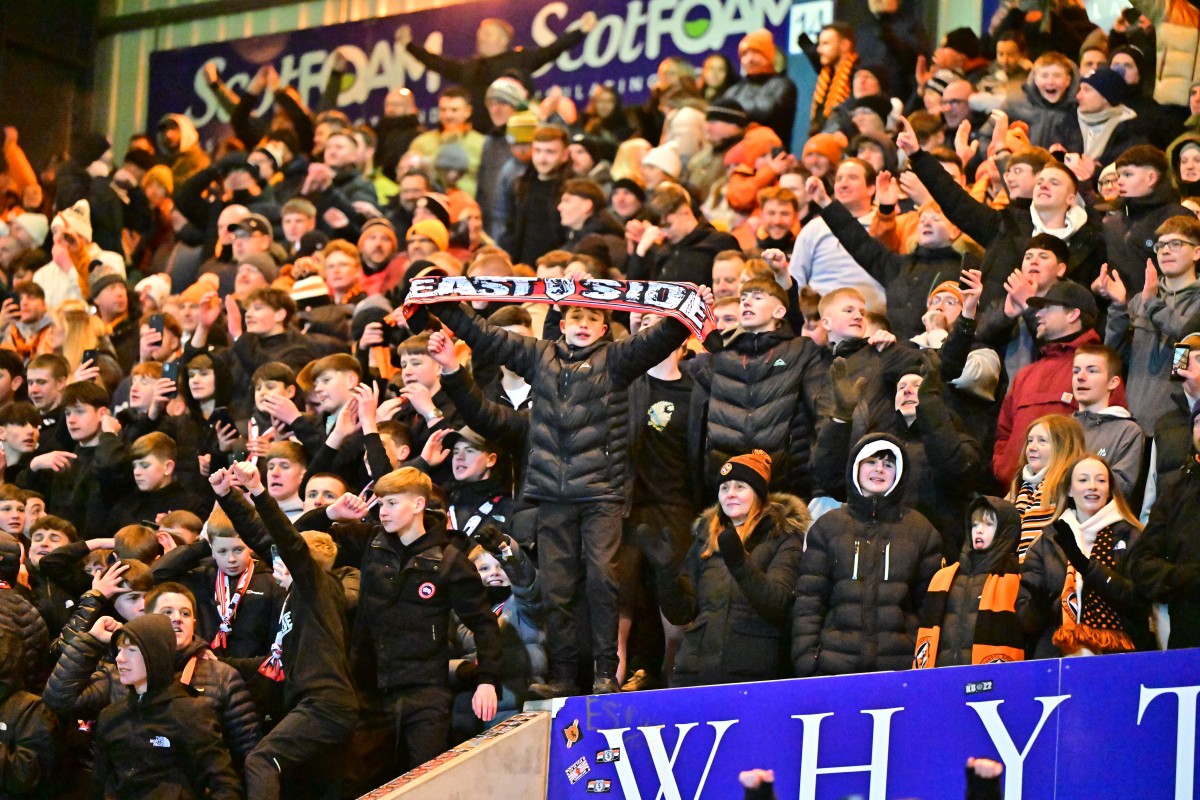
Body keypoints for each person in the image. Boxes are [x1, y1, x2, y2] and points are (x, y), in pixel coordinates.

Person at [414, 291, 703, 697]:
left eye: (592, 317)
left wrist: (689, 305)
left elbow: (661, 337)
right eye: (575, 316)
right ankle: (564, 677)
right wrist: (440, 303)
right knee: (557, 587)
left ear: (605, 328)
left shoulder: (618, 359)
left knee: (604, 581)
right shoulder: (538, 356)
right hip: (551, 494)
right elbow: (485, 336)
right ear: (561, 324)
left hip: (601, 494)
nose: (583, 323)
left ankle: (606, 673)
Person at [295, 468, 500, 788]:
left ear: (418, 504)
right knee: (355, 781)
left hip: (425, 691)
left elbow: (484, 623)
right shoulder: (369, 542)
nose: (383, 511)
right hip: (370, 688)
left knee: (426, 782)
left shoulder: (449, 560)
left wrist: (487, 680)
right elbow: (298, 538)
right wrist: (331, 513)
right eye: (381, 503)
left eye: (391, 503)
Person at [210, 463, 357, 800]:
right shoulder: (299, 596)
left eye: (285, 557)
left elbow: (283, 539)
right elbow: (261, 536)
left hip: (324, 704)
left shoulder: (316, 589)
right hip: (314, 703)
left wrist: (260, 492)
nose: (274, 559)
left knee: (261, 760)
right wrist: (226, 496)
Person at [643, 451, 807, 687]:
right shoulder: (706, 537)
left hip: (754, 676)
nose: (730, 493)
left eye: (740, 486)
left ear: (758, 494)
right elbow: (682, 613)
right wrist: (666, 572)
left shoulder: (783, 537)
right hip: (695, 673)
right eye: (724, 487)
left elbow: (778, 605)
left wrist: (740, 564)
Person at [792, 433, 943, 676]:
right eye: (871, 462)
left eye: (888, 464)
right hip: (833, 670)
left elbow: (930, 608)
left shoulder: (921, 531)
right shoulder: (827, 527)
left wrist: (920, 664)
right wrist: (808, 661)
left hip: (900, 671)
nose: (879, 469)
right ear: (856, 467)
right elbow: (809, 602)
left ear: (899, 473)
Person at [91, 613, 242, 799]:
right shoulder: (111, 716)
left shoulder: (190, 713)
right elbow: (98, 786)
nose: (120, 658)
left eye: (131, 650)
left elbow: (226, 786)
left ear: (155, 654)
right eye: (119, 650)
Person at [1018, 455, 1146, 658]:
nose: (1093, 486)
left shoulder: (1133, 536)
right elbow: (1024, 624)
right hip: (1056, 658)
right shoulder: (1046, 542)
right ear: (1069, 489)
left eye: (1101, 480)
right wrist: (1037, 607)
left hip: (1119, 657)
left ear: (1110, 490)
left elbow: (1140, 604)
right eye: (1083, 480)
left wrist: (1088, 568)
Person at [396, 14, 596, 133]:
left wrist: (580, 31)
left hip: (512, 133)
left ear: (503, 39)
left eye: (488, 34)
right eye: (480, 34)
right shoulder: (469, 67)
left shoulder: (519, 59)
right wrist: (409, 46)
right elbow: (437, 63)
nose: (481, 38)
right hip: (476, 134)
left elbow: (552, 50)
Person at [1101, 215, 1200, 434]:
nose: (1165, 250)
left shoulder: (1154, 299)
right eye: (1161, 245)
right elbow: (1116, 356)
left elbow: (1186, 339)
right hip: (1135, 422)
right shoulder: (1141, 299)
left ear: (1197, 252)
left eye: (1176, 244)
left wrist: (1152, 303)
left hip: (1181, 422)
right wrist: (1118, 307)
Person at [913, 496, 1023, 668]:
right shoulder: (945, 577)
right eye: (975, 525)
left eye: (988, 524)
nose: (978, 530)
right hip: (942, 677)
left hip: (988, 683)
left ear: (1004, 532)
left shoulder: (1014, 578)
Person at [1007, 414, 1087, 561]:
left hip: (1051, 566)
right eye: (1030, 441)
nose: (1032, 447)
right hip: (1020, 568)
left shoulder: (1069, 484)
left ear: (1064, 446)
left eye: (1042, 441)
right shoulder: (1020, 483)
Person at [1071, 344, 1145, 499]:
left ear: (1113, 382)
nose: (1080, 377)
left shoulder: (1127, 431)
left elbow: (1122, 486)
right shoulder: (1062, 427)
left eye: (1092, 371)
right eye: (1076, 371)